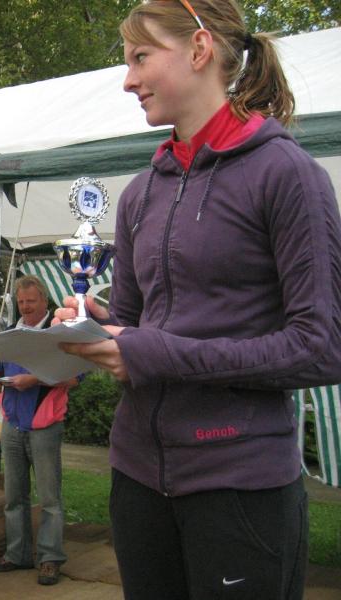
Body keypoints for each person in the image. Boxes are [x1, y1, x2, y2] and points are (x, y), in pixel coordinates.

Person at [55, 2, 341, 598]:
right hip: (137, 479)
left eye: (140, 57)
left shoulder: (286, 173)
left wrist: (152, 352)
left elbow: (320, 348)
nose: (128, 79)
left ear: (200, 49)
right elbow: (136, 326)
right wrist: (94, 326)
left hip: (239, 486)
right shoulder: (140, 192)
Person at [0, 275, 81, 586]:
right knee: (14, 496)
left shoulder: (58, 333)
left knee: (49, 497)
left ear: (44, 300)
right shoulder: (10, 333)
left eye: (30, 301)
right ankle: (17, 554)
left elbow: (74, 378)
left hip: (45, 425)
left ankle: (50, 558)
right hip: (12, 423)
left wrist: (35, 380)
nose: (25, 307)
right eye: (21, 302)